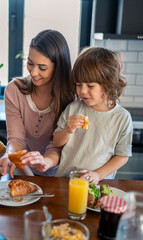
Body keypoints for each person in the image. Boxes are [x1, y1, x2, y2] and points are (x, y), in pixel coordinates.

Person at [0, 29, 75, 177]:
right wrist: (8, 155)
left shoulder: (71, 97)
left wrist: (45, 162)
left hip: (57, 174)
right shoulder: (14, 91)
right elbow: (16, 139)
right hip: (22, 169)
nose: (33, 72)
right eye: (30, 63)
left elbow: (57, 146)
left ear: (58, 68)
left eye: (42, 68)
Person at [52, 47, 133, 184]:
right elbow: (56, 142)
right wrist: (67, 130)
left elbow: (122, 156)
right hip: (66, 181)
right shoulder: (73, 109)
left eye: (90, 86)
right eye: (79, 85)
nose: (82, 91)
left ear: (109, 84)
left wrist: (97, 175)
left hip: (98, 184)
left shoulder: (122, 118)